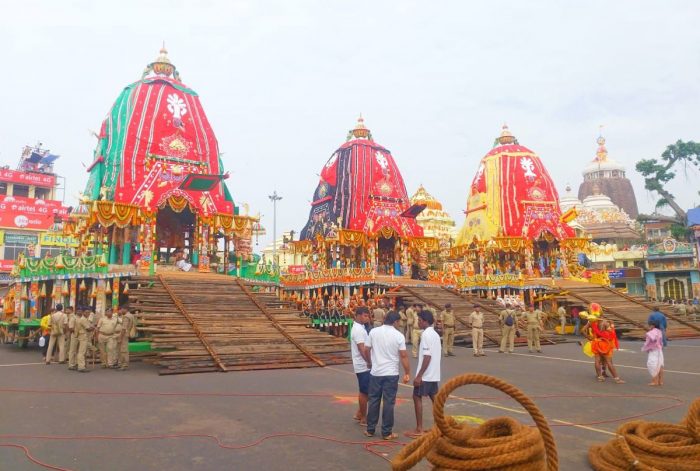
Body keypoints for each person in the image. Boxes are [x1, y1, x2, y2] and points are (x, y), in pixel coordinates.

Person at [364, 311, 411, 441]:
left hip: (376, 372)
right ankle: (386, 432)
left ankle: (370, 429)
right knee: (389, 402)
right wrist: (407, 372)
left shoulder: (374, 332)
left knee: (373, 400)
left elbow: (366, 349)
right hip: (391, 373)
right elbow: (403, 355)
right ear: (395, 322)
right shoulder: (398, 336)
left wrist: (369, 362)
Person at [407, 310, 441, 437]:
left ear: (425, 321)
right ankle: (439, 426)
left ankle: (419, 428)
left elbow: (427, 356)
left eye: (420, 320)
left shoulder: (426, 335)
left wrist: (419, 375)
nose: (418, 322)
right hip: (434, 373)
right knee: (435, 399)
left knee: (417, 397)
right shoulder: (435, 334)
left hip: (426, 374)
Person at [350, 307, 372, 426]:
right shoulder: (358, 330)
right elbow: (361, 348)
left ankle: (359, 413)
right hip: (362, 365)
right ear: (357, 315)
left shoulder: (361, 328)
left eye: (367, 316)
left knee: (367, 390)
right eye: (364, 315)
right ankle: (363, 417)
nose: (367, 318)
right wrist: (368, 361)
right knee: (364, 392)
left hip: (362, 364)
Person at [642, 319, 664, 386]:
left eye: (649, 325)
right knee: (660, 364)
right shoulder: (659, 331)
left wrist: (645, 348)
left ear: (652, 325)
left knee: (652, 364)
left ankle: (655, 381)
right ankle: (660, 381)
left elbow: (649, 341)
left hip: (654, 350)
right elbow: (660, 341)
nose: (649, 326)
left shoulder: (651, 332)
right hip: (659, 350)